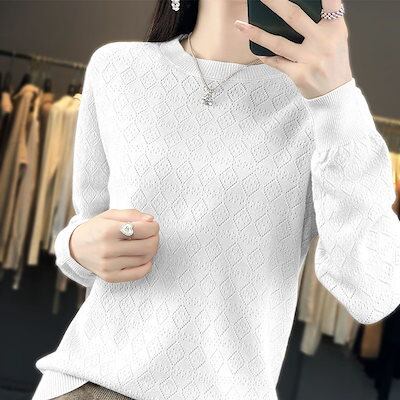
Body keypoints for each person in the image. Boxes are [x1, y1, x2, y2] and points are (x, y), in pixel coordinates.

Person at [32, 0, 400, 399]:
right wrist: (75, 245)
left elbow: (374, 293)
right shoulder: (118, 68)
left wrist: (337, 98)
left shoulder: (321, 104)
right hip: (90, 383)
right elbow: (88, 229)